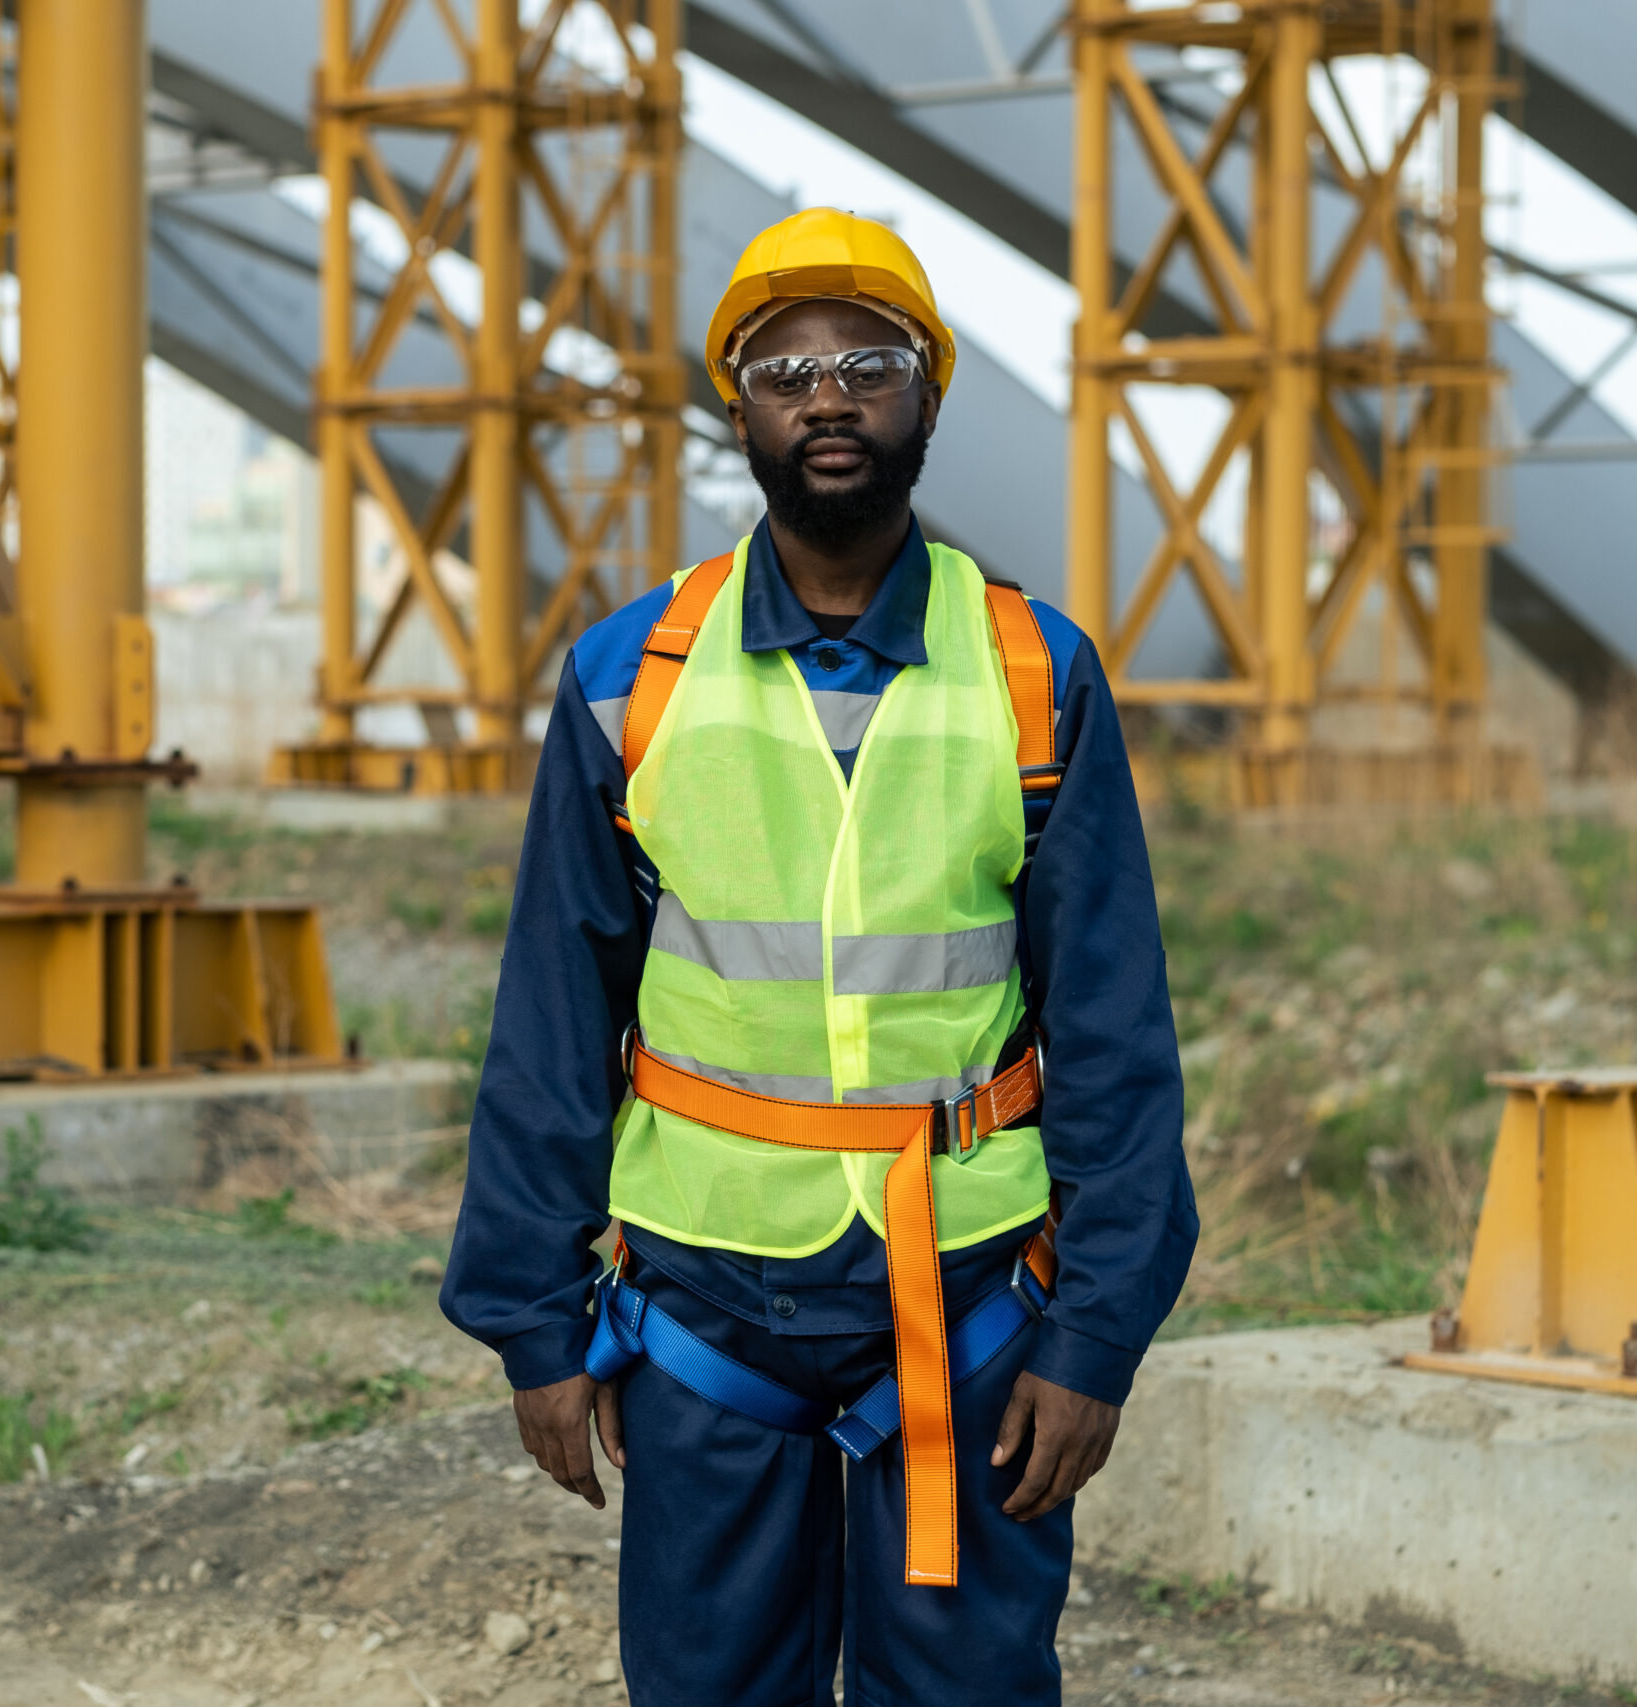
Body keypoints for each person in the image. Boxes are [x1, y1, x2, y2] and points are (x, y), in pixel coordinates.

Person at [441, 208, 1195, 1707]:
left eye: (869, 362)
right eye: (787, 372)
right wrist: (534, 1317)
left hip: (972, 1305)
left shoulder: (1037, 674)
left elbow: (1111, 1026)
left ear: (927, 397)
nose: (829, 397)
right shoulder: (628, 678)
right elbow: (553, 1012)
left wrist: (1096, 1334)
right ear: (740, 411)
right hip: (707, 1306)